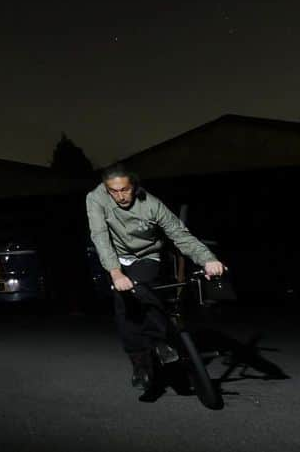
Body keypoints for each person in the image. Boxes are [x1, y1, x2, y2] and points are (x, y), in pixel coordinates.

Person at [85, 163, 225, 391]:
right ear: (106, 188)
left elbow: (180, 235)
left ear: (134, 186)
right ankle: (140, 363)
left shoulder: (151, 205)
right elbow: (100, 235)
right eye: (114, 191)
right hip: (116, 258)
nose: (120, 196)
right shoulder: (96, 198)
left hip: (147, 255)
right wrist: (116, 272)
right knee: (123, 303)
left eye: (125, 190)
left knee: (142, 288)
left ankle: (161, 341)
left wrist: (208, 259)